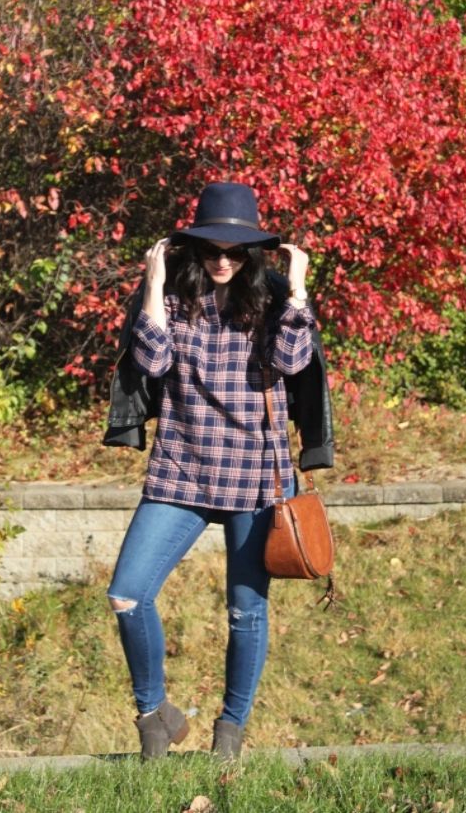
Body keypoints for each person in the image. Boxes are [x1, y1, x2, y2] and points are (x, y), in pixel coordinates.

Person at [106, 181, 330, 760]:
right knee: (127, 594)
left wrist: (298, 290)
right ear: (193, 248)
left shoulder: (273, 298)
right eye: (211, 250)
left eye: (235, 252)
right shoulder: (173, 297)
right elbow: (151, 360)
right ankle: (154, 715)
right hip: (181, 468)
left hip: (255, 475)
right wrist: (152, 285)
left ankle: (230, 733)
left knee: (246, 611)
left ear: (253, 253)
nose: (223, 261)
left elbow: (291, 360)